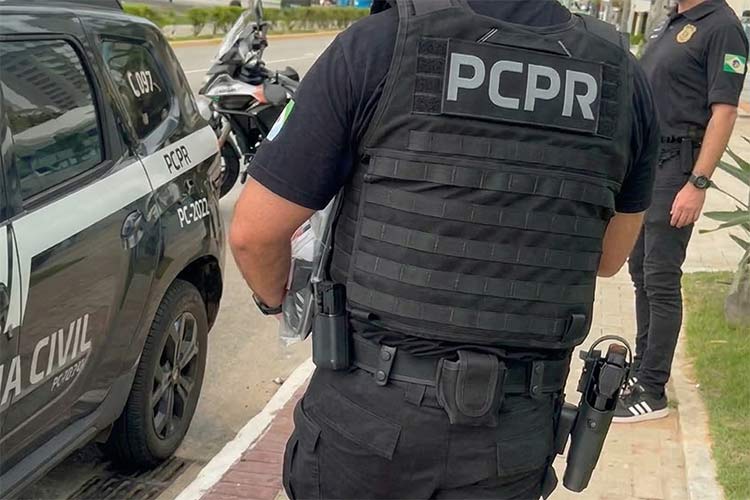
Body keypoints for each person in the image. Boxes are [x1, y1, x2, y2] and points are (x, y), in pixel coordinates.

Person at [230, 0, 659, 497]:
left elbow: (253, 234)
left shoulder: (379, 45)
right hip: (510, 440)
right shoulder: (623, 78)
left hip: (366, 420)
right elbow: (608, 258)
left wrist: (278, 303)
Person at [614, 0, 748, 424]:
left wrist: (698, 183)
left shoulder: (722, 27)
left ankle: (652, 390)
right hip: (649, 162)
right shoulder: (671, 22)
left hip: (678, 165)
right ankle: (642, 372)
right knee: (640, 272)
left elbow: (725, 112)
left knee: (660, 277)